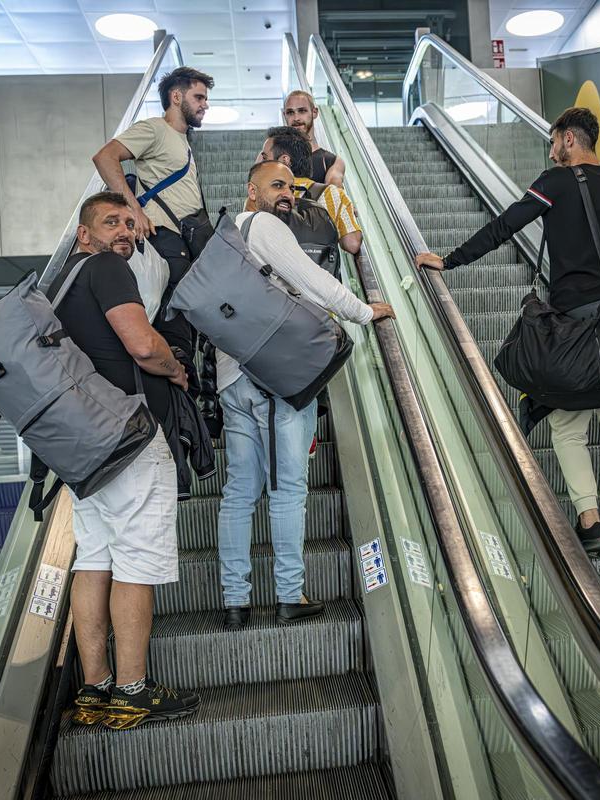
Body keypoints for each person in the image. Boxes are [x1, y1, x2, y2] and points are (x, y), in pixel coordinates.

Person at [416, 107, 600, 558]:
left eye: (553, 142)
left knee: (568, 427)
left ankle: (589, 523)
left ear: (570, 139)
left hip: (575, 322)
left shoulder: (555, 183)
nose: (550, 152)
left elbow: (504, 225)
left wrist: (451, 260)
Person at [219, 161, 393, 630]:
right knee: (288, 489)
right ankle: (288, 594)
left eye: (291, 187)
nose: (287, 194)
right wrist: (361, 310)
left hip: (231, 375)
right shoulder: (265, 227)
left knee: (238, 493)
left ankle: (235, 600)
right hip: (274, 375)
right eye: (276, 185)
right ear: (251, 190)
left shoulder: (226, 233)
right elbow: (311, 279)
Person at [55, 192, 199, 730]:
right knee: (136, 559)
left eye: (128, 222)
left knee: (93, 557)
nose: (123, 230)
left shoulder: (60, 285)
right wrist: (175, 369)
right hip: (129, 437)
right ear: (83, 235)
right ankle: (132, 691)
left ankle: (94, 689)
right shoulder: (107, 268)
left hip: (82, 443)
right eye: (109, 222)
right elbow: (142, 345)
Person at [92, 66, 215, 354]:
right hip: (164, 239)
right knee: (171, 326)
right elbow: (105, 156)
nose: (204, 104)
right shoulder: (154, 128)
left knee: (183, 325)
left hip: (184, 241)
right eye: (198, 97)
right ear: (176, 96)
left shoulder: (183, 141)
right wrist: (133, 208)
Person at [258, 125, 362, 273]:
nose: (262, 164)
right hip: (322, 288)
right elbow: (352, 244)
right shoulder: (332, 194)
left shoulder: (263, 196)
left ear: (284, 160)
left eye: (265, 158)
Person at [282, 91, 344, 186]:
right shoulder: (270, 154)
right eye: (290, 112)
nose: (296, 118)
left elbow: (335, 195)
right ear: (284, 115)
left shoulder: (331, 162)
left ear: (314, 112)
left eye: (302, 111)